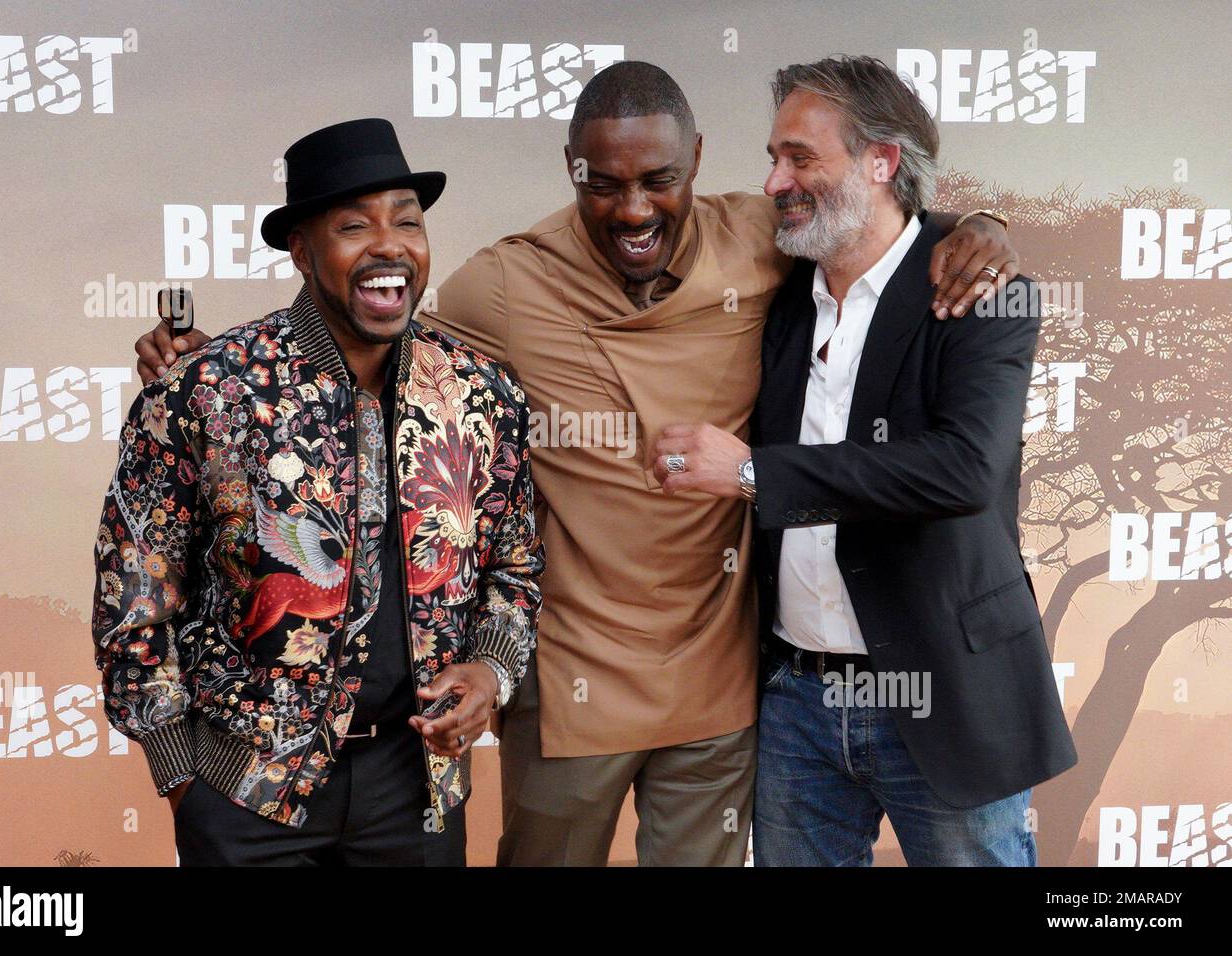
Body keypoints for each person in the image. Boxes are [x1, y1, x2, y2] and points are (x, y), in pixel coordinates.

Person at [132, 62, 1019, 867]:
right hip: (571, 675)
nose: (633, 209)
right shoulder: (509, 283)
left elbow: (869, 222)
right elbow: (374, 315)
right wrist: (226, 367)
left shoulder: (760, 237)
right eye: (605, 183)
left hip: (719, 678)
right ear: (571, 171)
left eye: (659, 180)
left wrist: (981, 226)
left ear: (701, 161)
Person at [653, 56, 1076, 866]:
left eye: (801, 158)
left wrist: (754, 475)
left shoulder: (985, 293)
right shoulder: (779, 300)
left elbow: (962, 470)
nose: (776, 180)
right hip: (795, 704)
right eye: (774, 158)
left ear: (882, 161)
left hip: (946, 695)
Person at [92, 118, 544, 865]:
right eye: (353, 225)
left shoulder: (480, 394)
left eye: (407, 218)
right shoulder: (208, 391)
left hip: (416, 788)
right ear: (302, 252)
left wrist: (491, 670)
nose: (389, 243)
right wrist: (181, 776)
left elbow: (517, 568)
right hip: (245, 794)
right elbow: (133, 599)